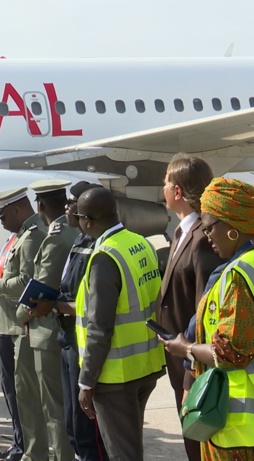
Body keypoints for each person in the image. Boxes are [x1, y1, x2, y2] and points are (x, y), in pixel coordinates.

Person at [162, 178, 254, 460]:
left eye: (209, 228)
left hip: (253, 432)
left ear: (232, 228)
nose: (207, 236)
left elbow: (231, 353)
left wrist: (185, 349)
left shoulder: (239, 274)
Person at [71, 187, 165, 461]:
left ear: (88, 221)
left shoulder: (105, 258)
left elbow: (100, 327)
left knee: (123, 454)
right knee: (131, 447)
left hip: (115, 375)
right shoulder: (140, 243)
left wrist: (87, 381)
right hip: (145, 364)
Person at [0, 187, 46, 461]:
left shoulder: (31, 237)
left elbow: (25, 281)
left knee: (23, 393)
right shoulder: (17, 237)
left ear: (17, 209)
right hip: (7, 323)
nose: (0, 220)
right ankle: (21, 445)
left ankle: (29, 447)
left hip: (21, 325)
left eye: (2, 214)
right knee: (14, 390)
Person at [157, 154, 221, 461]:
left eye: (168, 181)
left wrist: (191, 376)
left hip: (193, 365)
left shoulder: (200, 240)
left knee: (199, 443)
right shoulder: (182, 233)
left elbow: (204, 313)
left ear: (178, 191)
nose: (164, 187)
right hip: (178, 359)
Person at [41, 181, 108, 461]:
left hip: (82, 344)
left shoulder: (98, 247)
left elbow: (91, 306)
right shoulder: (79, 240)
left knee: (88, 430)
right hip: (67, 339)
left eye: (74, 203)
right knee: (72, 424)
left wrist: (54, 305)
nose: (68, 207)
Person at [18, 179, 79, 461]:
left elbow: (41, 287)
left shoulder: (56, 238)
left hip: (48, 330)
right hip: (59, 328)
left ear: (40, 205)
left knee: (55, 410)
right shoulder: (70, 232)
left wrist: (19, 315)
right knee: (59, 409)